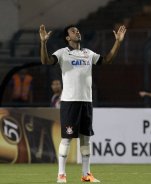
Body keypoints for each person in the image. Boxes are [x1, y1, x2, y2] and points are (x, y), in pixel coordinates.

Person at [39, 24, 126, 183]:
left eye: (77, 30)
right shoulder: (63, 53)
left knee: (86, 139)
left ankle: (86, 174)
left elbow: (107, 60)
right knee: (67, 139)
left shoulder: (88, 53)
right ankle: (61, 175)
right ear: (67, 37)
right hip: (69, 102)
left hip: (86, 101)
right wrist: (43, 42)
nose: (77, 32)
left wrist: (118, 42)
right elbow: (45, 61)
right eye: (73, 31)